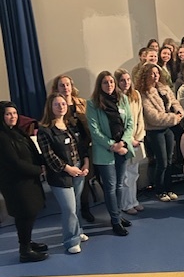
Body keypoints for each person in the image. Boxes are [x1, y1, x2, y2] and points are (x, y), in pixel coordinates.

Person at [38, 93, 90, 252]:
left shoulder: (71, 125)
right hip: (60, 174)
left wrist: (85, 162)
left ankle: (78, 231)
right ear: (50, 107)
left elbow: (81, 146)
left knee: (76, 205)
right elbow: (49, 156)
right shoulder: (44, 131)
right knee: (68, 208)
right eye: (56, 104)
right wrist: (68, 168)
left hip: (78, 169)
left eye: (63, 104)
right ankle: (71, 241)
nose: (61, 107)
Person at [86, 71, 135, 237]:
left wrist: (124, 142)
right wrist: (112, 145)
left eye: (111, 82)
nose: (109, 85)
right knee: (111, 187)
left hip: (122, 148)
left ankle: (118, 215)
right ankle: (115, 221)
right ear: (99, 85)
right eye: (105, 83)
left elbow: (130, 123)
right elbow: (94, 130)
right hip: (105, 151)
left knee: (120, 185)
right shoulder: (92, 104)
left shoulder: (123, 99)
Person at [0, 101, 48, 262]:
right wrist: (38, 170)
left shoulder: (16, 131)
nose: (12, 117)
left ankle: (27, 242)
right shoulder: (2, 136)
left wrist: (42, 162)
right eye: (8, 114)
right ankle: (25, 251)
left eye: (14, 113)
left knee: (29, 213)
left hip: (27, 180)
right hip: (16, 183)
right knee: (24, 214)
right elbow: (14, 163)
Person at [51, 74, 94, 222]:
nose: (65, 88)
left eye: (67, 84)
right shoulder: (55, 107)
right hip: (67, 150)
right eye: (62, 85)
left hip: (84, 145)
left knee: (85, 180)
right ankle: (74, 217)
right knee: (73, 186)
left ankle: (85, 209)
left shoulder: (81, 103)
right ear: (56, 88)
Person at [140, 63, 184, 202]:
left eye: (157, 73)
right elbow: (153, 117)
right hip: (155, 131)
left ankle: (169, 188)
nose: (155, 76)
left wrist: (179, 112)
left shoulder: (163, 88)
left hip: (168, 128)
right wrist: (173, 118)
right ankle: (159, 190)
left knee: (170, 160)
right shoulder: (143, 93)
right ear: (146, 75)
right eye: (152, 73)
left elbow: (174, 102)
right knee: (162, 162)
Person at [114, 68, 146, 215]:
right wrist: (129, 140)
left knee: (134, 173)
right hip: (125, 141)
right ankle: (126, 204)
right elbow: (120, 123)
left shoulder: (136, 94)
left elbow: (139, 117)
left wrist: (139, 137)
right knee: (125, 176)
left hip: (137, 140)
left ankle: (133, 201)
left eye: (128, 79)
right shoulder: (116, 98)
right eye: (122, 80)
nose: (126, 82)